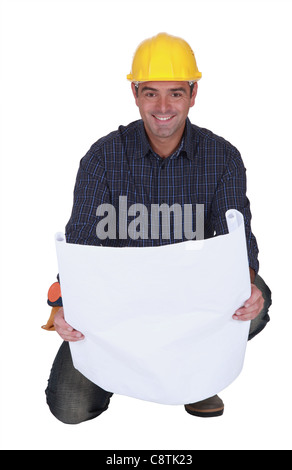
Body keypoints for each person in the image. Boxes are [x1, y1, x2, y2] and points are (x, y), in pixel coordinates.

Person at [44, 33, 271, 424]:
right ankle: (129, 366)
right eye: (151, 93)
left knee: (256, 301)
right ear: (135, 94)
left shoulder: (222, 157)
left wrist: (247, 285)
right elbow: (81, 239)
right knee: (70, 408)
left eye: (176, 93)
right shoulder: (103, 156)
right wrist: (63, 306)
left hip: (192, 307)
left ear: (193, 94)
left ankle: (195, 379)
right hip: (119, 310)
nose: (163, 107)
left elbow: (238, 240)